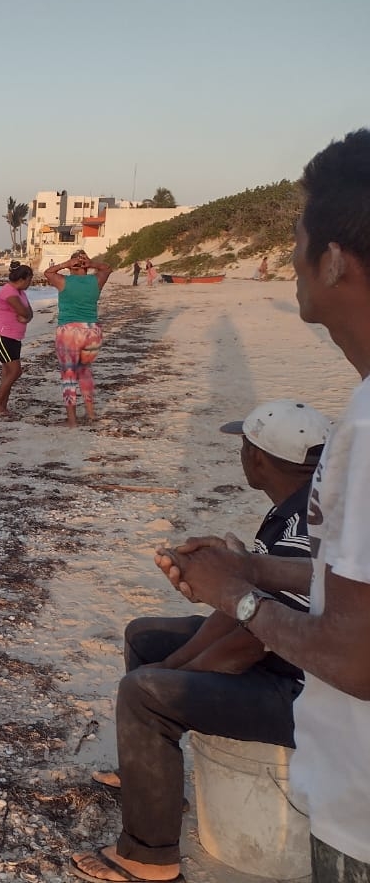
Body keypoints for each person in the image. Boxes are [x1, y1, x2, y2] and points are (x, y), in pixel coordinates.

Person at [154, 130, 370, 883]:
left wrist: (238, 596)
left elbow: (356, 654)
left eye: (297, 239)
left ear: (336, 259)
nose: (289, 260)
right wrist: (248, 567)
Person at [70, 399, 330, 883]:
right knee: (145, 638)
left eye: (243, 446)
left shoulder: (298, 527)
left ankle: (149, 858)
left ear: (256, 458)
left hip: (307, 693)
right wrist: (174, 665)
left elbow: (253, 643)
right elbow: (245, 606)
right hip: (289, 656)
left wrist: (174, 679)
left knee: (144, 694)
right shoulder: (305, 502)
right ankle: (151, 779)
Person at [44, 249, 113, 427]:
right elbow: (107, 268)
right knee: (85, 371)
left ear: (72, 265)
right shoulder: (96, 280)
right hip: (92, 332)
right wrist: (93, 264)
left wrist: (65, 264)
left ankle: (72, 421)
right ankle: (90, 414)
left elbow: (48, 273)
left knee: (69, 375)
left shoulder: (63, 281)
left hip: (69, 331)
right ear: (86, 265)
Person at [0, 263, 34, 418]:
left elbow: (30, 314)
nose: (30, 283)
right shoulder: (8, 291)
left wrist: (26, 316)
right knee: (16, 371)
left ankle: (2, 406)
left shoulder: (21, 293)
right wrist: (25, 315)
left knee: (8, 373)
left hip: (15, 338)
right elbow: (24, 312)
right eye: (29, 280)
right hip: (3, 337)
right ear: (22, 279)